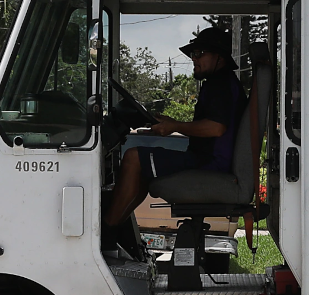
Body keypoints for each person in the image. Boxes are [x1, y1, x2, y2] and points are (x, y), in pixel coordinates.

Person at [105, 26, 246, 229]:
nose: (193, 59)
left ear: (219, 57)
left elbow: (216, 128)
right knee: (143, 168)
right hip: (207, 159)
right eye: (192, 54)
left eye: (199, 53)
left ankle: (106, 230)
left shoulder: (220, 84)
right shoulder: (221, 83)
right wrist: (170, 123)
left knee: (133, 158)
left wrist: (175, 126)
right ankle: (117, 228)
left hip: (210, 163)